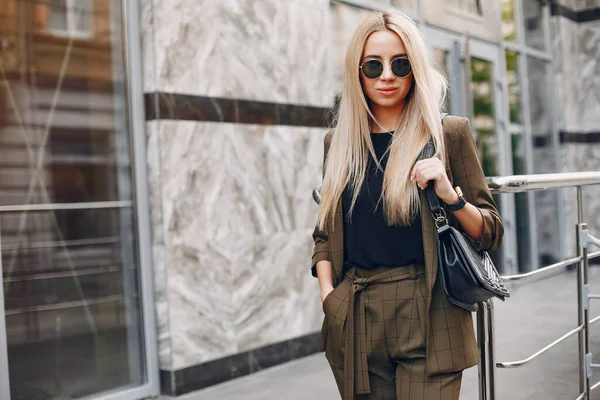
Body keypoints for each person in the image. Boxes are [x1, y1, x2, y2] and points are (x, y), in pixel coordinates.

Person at [311, 10, 503, 400]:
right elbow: (325, 233)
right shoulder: (339, 143)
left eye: (400, 64)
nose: (387, 76)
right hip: (356, 310)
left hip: (430, 310)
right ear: (356, 71)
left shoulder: (448, 133)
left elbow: (490, 231)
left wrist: (451, 195)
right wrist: (329, 297)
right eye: (373, 65)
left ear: (415, 67)